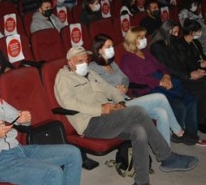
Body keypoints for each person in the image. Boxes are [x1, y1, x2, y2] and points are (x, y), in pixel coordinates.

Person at [54, 46, 198, 185]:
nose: (84, 63)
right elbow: (69, 103)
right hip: (90, 123)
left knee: (139, 131)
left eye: (86, 60)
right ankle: (167, 157)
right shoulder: (63, 78)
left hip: (109, 115)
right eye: (80, 61)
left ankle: (142, 181)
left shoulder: (90, 73)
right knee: (138, 111)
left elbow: (110, 89)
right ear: (70, 62)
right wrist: (99, 109)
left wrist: (120, 102)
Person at [0, 66, 82, 185]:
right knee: (53, 172)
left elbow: (17, 117)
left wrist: (24, 118)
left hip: (18, 149)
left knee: (73, 153)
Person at [88, 34, 192, 146]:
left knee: (162, 113)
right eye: (108, 47)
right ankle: (178, 131)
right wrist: (114, 89)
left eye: (112, 46)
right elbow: (96, 90)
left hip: (125, 98)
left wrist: (124, 86)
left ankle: (166, 151)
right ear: (98, 50)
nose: (112, 49)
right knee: (161, 98)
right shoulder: (93, 68)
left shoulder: (112, 63)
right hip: (115, 105)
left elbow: (125, 78)